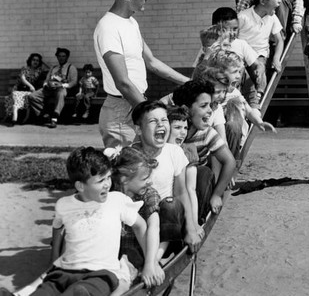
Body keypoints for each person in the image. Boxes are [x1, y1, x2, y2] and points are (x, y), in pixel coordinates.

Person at [3, 146, 147, 296]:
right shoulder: (64, 205)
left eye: (108, 177)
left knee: (79, 292)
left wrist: (150, 262)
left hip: (101, 274)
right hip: (64, 272)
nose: (107, 184)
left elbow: (141, 225)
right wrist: (54, 258)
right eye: (100, 180)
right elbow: (57, 226)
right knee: (45, 291)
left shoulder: (117, 200)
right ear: (80, 186)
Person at [94, 0, 190, 148]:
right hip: (121, 112)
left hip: (137, 103)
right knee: (127, 171)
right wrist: (151, 114)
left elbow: (152, 62)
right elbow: (122, 82)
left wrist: (189, 83)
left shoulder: (131, 23)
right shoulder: (108, 28)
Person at [131, 100, 203, 253]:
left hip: (167, 220)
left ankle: (160, 254)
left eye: (164, 120)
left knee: (171, 205)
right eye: (152, 121)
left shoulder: (174, 152)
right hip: (142, 219)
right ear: (138, 129)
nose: (160, 125)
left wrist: (191, 229)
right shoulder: (131, 155)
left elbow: (181, 192)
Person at [172, 79, 236, 216]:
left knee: (202, 173)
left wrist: (217, 194)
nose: (209, 110)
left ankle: (199, 216)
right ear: (186, 109)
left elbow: (229, 161)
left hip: (195, 186)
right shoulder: (171, 130)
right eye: (203, 106)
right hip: (174, 183)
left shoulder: (206, 133)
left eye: (210, 105)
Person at [108, 146, 166, 290]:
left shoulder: (148, 194)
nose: (150, 182)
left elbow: (153, 226)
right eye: (145, 178)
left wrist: (150, 263)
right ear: (124, 180)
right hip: (112, 252)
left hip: (139, 249)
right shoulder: (109, 195)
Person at [238, 0, 284, 108]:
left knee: (260, 68)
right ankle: (249, 99)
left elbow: (279, 40)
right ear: (263, 1)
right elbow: (233, 39)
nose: (279, 1)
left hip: (259, 56)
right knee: (242, 73)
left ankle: (257, 97)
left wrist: (276, 59)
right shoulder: (243, 17)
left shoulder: (272, 18)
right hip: (243, 56)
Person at [167, 105, 204, 237]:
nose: (183, 132)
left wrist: (194, 223)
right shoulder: (158, 150)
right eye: (177, 128)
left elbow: (190, 190)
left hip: (179, 206)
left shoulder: (187, 151)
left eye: (185, 128)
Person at [28, 48, 78, 128]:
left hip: (61, 88)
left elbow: (73, 82)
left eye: (63, 56)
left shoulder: (71, 68)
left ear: (67, 57)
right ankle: (45, 113)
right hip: (49, 89)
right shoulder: (53, 68)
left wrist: (62, 85)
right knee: (32, 96)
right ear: (57, 57)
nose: (61, 58)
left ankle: (54, 118)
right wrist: (45, 85)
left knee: (60, 94)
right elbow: (46, 79)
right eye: (59, 56)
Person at [3, 53, 46, 127]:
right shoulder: (25, 68)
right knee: (15, 96)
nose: (35, 62)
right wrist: (31, 86)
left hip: (29, 91)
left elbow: (49, 69)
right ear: (30, 60)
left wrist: (44, 64)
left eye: (37, 61)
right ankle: (13, 117)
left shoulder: (39, 70)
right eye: (33, 60)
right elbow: (23, 79)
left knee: (29, 97)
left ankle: (17, 118)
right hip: (19, 88)